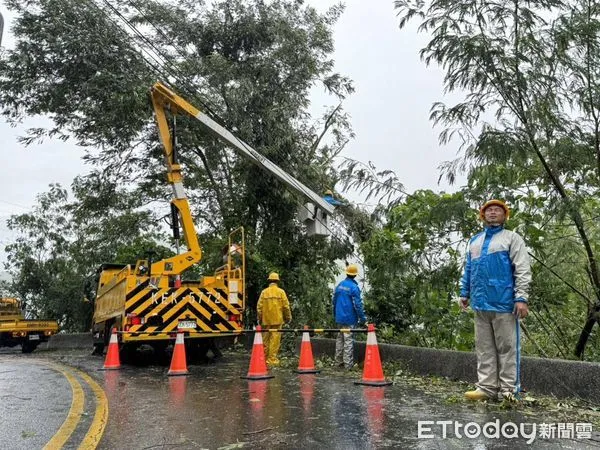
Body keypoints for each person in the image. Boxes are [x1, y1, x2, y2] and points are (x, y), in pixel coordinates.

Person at [460, 199, 531, 402]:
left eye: (497, 210)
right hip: (481, 303)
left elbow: (522, 268)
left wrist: (521, 298)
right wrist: (464, 293)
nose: (492, 213)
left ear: (504, 215)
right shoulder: (475, 241)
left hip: (505, 303)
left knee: (507, 348)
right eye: (489, 210)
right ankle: (486, 387)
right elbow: (469, 269)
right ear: (483, 215)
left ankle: (508, 390)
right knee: (484, 348)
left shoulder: (511, 239)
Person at [333, 264, 367, 370]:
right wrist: (363, 319)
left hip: (339, 317)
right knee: (348, 341)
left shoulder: (339, 285)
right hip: (349, 318)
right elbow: (358, 305)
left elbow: (334, 301)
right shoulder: (354, 288)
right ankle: (348, 365)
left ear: (347, 273)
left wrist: (335, 315)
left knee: (340, 339)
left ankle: (338, 363)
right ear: (355, 275)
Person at [256, 272, 292, 367]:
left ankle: (262, 359)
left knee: (265, 340)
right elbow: (286, 307)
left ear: (269, 281)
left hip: (266, 320)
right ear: (277, 281)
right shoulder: (281, 292)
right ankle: (272, 360)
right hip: (277, 320)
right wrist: (288, 318)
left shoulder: (264, 292)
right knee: (274, 341)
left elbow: (259, 307)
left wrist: (260, 319)